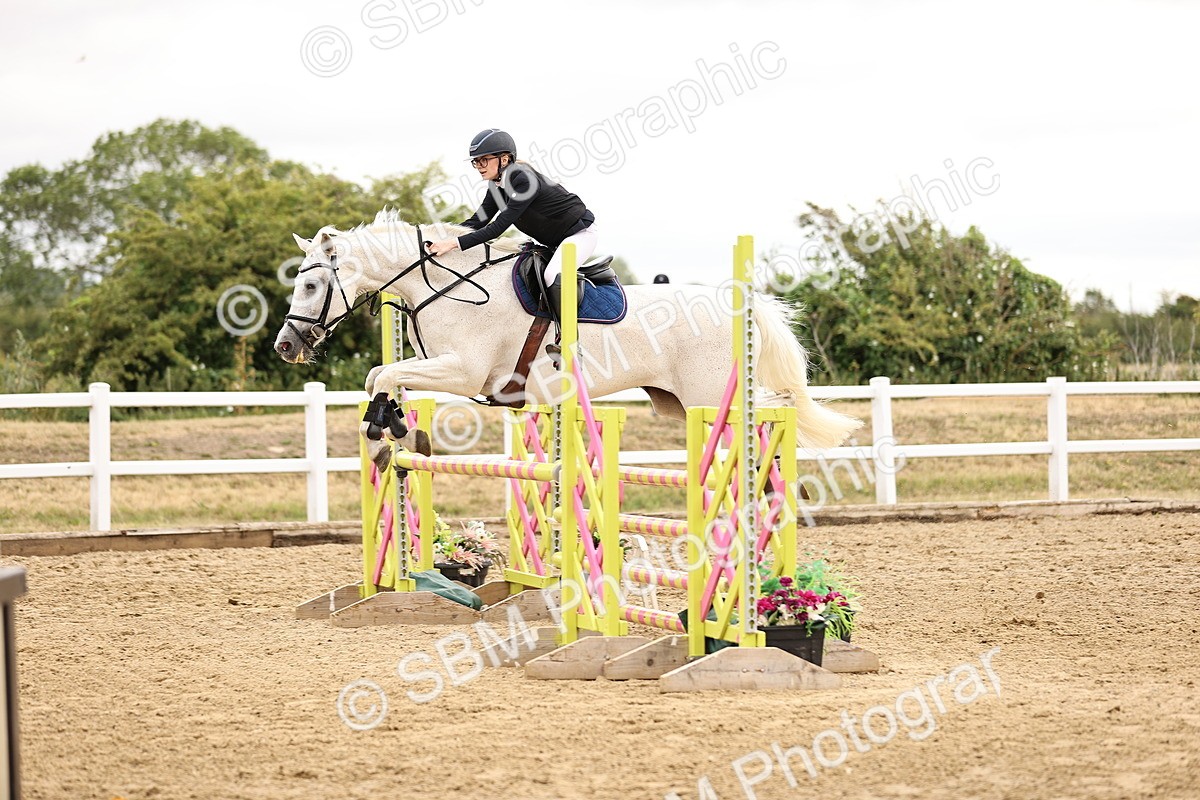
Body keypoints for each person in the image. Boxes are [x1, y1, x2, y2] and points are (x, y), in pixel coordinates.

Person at [426, 128, 597, 339]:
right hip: (553, 242)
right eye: (476, 162)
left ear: (504, 159)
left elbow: (497, 228)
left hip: (579, 235)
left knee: (552, 274)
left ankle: (569, 337)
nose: (479, 166)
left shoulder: (523, 179)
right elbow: (478, 222)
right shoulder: (497, 184)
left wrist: (452, 244)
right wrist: (440, 237)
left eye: (483, 160)